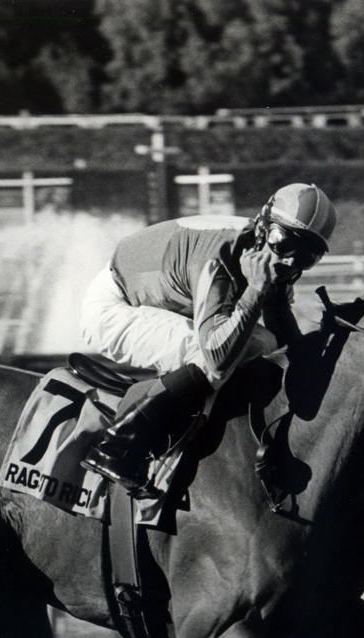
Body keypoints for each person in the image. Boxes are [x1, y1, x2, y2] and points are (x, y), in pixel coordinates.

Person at [78, 182, 345, 495]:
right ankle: (117, 446)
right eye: (284, 242)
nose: (290, 261)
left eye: (307, 256)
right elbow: (217, 358)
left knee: (264, 341)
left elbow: (284, 336)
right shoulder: (220, 256)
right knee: (212, 354)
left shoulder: (267, 253)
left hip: (162, 301)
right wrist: (257, 290)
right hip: (114, 307)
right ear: (263, 227)